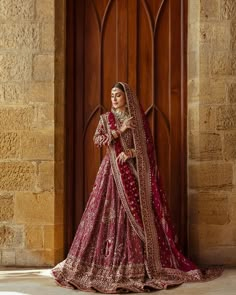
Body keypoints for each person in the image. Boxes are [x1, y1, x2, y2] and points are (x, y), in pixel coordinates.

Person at [51, 82, 222, 293]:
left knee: (136, 216)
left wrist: (130, 153)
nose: (114, 99)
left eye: (118, 95)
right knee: (102, 215)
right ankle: (101, 265)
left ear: (127, 98)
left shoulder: (136, 121)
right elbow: (98, 139)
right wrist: (117, 131)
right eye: (112, 95)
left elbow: (148, 148)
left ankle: (139, 266)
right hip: (111, 174)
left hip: (132, 175)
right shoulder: (106, 119)